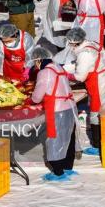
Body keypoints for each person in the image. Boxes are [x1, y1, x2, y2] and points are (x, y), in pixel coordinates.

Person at [31, 47, 79, 181]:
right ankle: (68, 167)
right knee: (68, 138)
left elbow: (37, 96)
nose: (35, 66)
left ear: (39, 60)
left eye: (35, 62)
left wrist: (31, 99)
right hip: (70, 107)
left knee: (55, 139)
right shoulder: (58, 67)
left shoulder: (44, 72)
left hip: (57, 109)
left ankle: (58, 172)